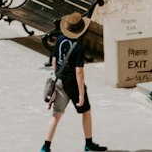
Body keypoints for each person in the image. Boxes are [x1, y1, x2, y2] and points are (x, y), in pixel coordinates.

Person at [40, 10, 106, 152]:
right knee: (86, 111)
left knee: (56, 115)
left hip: (60, 80)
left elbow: (53, 61)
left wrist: (57, 75)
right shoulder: (79, 48)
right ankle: (88, 144)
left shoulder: (59, 40)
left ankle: (46, 147)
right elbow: (79, 72)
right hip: (73, 84)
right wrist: (81, 94)